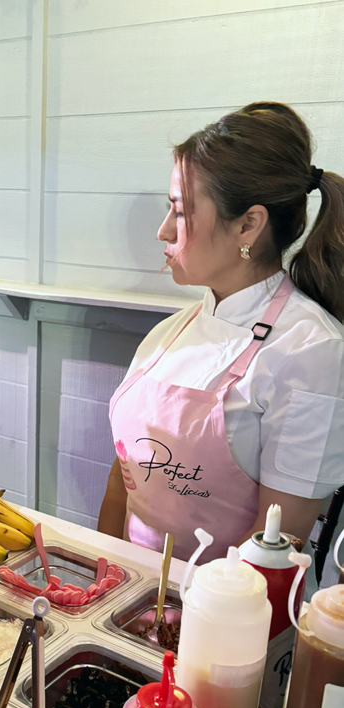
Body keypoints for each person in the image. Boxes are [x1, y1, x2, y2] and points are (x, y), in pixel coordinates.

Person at [99, 102, 344, 561]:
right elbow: (123, 480)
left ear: (248, 224)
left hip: (227, 617)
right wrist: (108, 584)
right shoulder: (169, 333)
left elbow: (276, 545)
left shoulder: (313, 351)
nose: (162, 231)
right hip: (129, 601)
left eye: (179, 210)